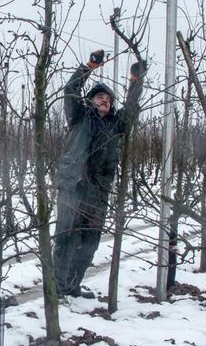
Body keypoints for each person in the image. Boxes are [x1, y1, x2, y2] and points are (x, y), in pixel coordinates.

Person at [52, 50, 144, 299]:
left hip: (99, 191)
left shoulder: (116, 125)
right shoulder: (79, 116)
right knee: (66, 239)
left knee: (89, 242)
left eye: (108, 99)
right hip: (73, 186)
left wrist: (137, 81)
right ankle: (58, 289)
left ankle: (73, 287)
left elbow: (132, 107)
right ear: (91, 100)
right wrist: (90, 65)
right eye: (100, 97)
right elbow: (71, 88)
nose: (105, 101)